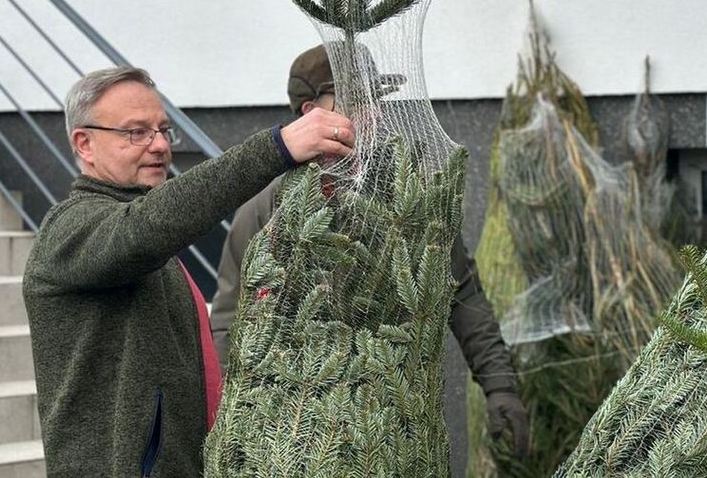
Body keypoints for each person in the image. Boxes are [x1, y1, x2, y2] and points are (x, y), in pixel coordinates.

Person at [23, 66, 355, 477]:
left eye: (164, 130)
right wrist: (278, 147)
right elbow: (147, 228)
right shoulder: (70, 231)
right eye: (136, 132)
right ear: (84, 144)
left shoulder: (145, 235)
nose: (159, 145)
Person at [210, 44, 531, 456]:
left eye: (374, 102)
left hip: (399, 428)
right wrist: (231, 420)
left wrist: (499, 385)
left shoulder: (409, 196)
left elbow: (461, 290)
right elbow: (229, 318)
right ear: (311, 113)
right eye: (357, 104)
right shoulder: (268, 207)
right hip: (295, 438)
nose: (375, 116)